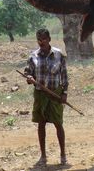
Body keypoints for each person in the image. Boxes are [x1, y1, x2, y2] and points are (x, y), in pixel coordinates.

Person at [24, 28, 68, 166]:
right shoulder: (33, 56)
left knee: (58, 124)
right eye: (38, 39)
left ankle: (63, 155)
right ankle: (43, 156)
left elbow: (64, 76)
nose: (40, 42)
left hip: (55, 93)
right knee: (41, 124)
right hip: (40, 94)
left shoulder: (59, 55)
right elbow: (27, 73)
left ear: (49, 39)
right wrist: (29, 77)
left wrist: (64, 93)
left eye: (43, 39)